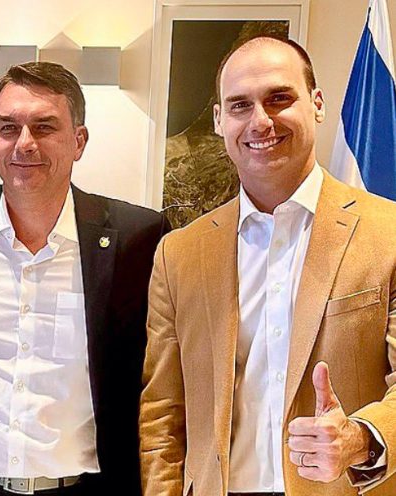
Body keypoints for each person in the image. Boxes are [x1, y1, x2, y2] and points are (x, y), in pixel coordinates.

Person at [140, 35, 396, 496]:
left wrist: (360, 439)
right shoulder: (178, 254)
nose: (260, 121)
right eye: (240, 105)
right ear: (219, 120)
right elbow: (162, 414)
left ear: (317, 104)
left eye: (279, 98)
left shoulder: (388, 233)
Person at [0, 62, 168, 495]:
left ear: (79, 141)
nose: (24, 143)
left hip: (83, 487)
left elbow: (159, 374)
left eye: (44, 127)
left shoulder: (137, 239)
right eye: (8, 128)